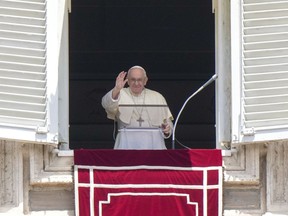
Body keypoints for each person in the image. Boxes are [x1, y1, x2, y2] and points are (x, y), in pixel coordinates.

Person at [102, 65, 174, 149]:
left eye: (139, 80)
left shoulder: (157, 96)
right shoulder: (120, 93)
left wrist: (167, 129)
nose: (136, 83)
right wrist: (117, 89)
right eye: (133, 79)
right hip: (127, 143)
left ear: (145, 81)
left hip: (153, 143)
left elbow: (168, 122)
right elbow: (106, 104)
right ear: (127, 81)